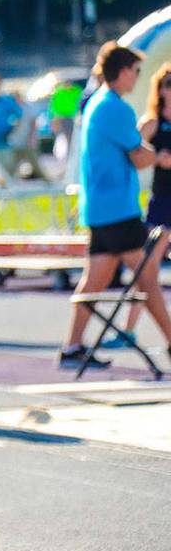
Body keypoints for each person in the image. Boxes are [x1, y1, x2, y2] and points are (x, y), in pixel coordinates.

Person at [59, 46, 171, 368]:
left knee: (94, 281)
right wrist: (159, 158)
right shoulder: (115, 108)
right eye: (136, 71)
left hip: (99, 207)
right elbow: (139, 156)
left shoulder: (97, 103)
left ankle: (72, 346)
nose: (138, 78)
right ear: (123, 72)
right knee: (147, 278)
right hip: (117, 208)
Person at [102, 62, 171, 349]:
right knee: (148, 267)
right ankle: (128, 329)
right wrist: (157, 158)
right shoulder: (152, 123)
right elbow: (134, 154)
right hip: (163, 202)